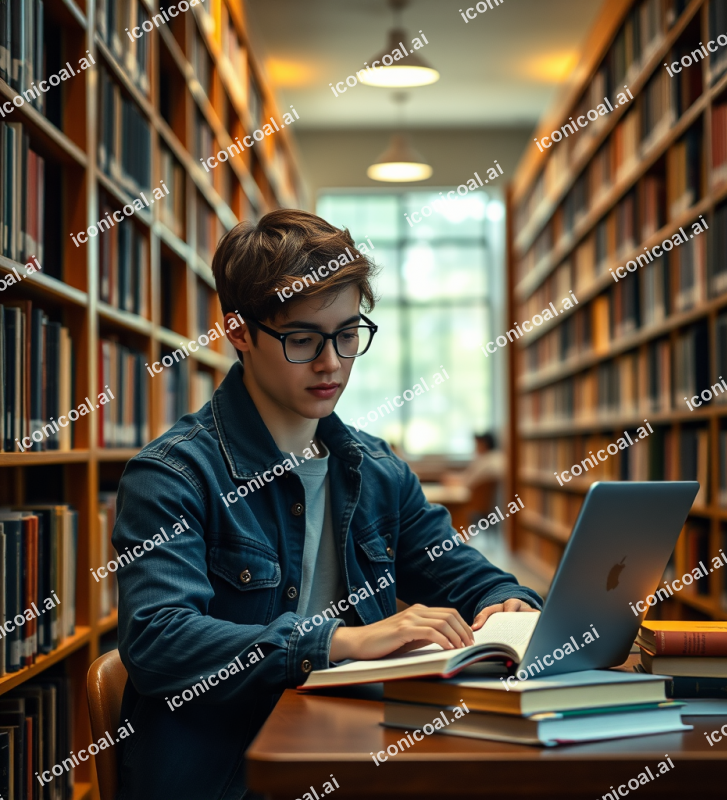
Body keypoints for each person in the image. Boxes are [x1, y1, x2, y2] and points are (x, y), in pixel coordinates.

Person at [111, 209, 542, 800]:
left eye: (347, 335)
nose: (332, 363)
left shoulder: (378, 471)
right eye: (303, 339)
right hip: (229, 778)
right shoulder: (173, 475)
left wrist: (506, 606)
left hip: (356, 755)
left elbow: (470, 579)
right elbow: (159, 641)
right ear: (238, 331)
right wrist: (339, 641)